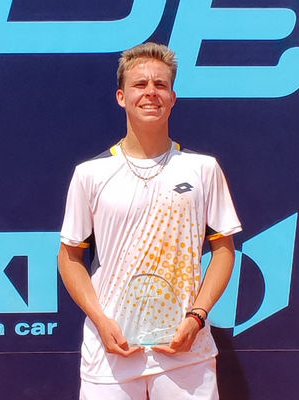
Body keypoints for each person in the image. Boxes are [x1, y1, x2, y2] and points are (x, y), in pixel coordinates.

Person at [58, 42, 242, 399]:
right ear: (121, 96)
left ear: (173, 97)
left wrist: (197, 317)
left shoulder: (203, 169)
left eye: (160, 84)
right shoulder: (90, 174)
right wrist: (101, 321)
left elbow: (223, 251)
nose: (150, 92)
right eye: (140, 84)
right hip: (110, 355)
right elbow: (70, 258)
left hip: (186, 353)